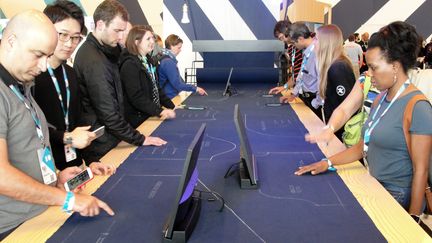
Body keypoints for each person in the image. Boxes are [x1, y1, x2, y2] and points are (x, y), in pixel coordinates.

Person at [296, 21, 432, 223]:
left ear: (395, 66)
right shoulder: (380, 98)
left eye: (373, 67)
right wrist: (328, 162)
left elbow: (421, 170)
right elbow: (364, 146)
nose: (367, 73)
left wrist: (413, 217)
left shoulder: (417, 106)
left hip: (396, 195)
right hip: (374, 184)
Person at [0, 10, 113, 240]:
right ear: (11, 42)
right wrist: (67, 199)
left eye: (47, 56)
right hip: (13, 226)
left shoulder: (21, 83)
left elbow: (27, 144)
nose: (43, 67)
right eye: (38, 55)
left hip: (39, 211)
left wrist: (55, 176)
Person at [73, 0, 167, 164]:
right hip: (102, 143)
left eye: (123, 31)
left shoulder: (105, 51)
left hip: (112, 135)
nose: (121, 36)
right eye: (117, 30)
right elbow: (109, 114)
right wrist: (140, 139)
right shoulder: (94, 61)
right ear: (100, 25)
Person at [34, 0, 115, 175]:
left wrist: (92, 160)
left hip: (74, 166)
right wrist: (67, 137)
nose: (69, 43)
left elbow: (79, 121)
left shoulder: (70, 73)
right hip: (45, 170)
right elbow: (31, 129)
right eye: (62, 35)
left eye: (76, 37)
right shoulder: (31, 76)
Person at [119, 25, 176, 128]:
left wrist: (172, 106)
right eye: (148, 39)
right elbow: (136, 96)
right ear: (136, 42)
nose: (152, 42)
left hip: (150, 114)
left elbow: (156, 88)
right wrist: (160, 111)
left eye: (152, 38)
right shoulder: (130, 64)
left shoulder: (148, 60)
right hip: (137, 120)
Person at [270, 22, 321, 119]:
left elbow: (322, 80)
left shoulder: (315, 48)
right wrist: (290, 91)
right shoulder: (296, 48)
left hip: (314, 98)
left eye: (282, 37)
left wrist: (316, 103)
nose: (284, 41)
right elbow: (299, 75)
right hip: (304, 94)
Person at [316, 25, 356, 140]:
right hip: (336, 127)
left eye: (317, 39)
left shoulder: (337, 68)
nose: (314, 43)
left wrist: (332, 128)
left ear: (326, 43)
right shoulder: (333, 66)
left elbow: (349, 105)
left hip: (342, 131)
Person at [158, 34, 207, 99]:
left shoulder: (164, 57)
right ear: (172, 46)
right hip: (169, 97)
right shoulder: (168, 62)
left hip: (168, 95)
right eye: (179, 48)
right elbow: (177, 84)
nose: (180, 50)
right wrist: (196, 88)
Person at [269, 20, 303, 90]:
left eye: (282, 37)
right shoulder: (291, 49)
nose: (283, 41)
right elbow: (296, 75)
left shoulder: (312, 40)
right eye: (280, 39)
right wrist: (284, 87)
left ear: (287, 30)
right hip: (301, 92)